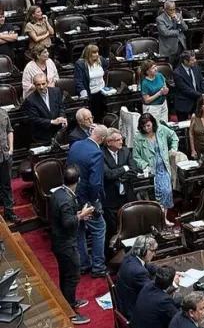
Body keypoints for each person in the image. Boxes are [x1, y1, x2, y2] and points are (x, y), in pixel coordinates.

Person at [50, 164, 93, 324]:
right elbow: (67, 223)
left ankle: (68, 302)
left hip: (59, 241)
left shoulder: (58, 193)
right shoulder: (67, 200)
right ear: (78, 180)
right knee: (72, 276)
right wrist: (81, 216)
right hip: (66, 245)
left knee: (65, 273)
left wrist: (78, 214)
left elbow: (63, 216)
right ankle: (70, 313)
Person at [67, 124, 108, 277]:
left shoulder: (76, 145)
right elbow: (95, 183)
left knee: (79, 230)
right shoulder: (96, 153)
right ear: (102, 139)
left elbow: (68, 168)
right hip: (87, 199)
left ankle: (84, 264)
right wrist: (94, 201)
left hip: (72, 194)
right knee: (99, 228)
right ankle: (98, 267)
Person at [133, 113, 178, 223]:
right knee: (154, 195)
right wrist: (144, 165)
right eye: (144, 126)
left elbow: (174, 137)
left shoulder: (161, 129)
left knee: (167, 191)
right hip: (151, 170)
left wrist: (173, 148)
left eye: (148, 125)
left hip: (163, 167)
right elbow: (136, 156)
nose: (146, 128)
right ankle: (156, 220)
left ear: (153, 123)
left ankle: (164, 218)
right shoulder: (138, 137)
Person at [102, 129, 137, 240]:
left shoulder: (125, 151)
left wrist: (120, 178)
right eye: (118, 140)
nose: (121, 142)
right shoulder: (101, 154)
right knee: (113, 231)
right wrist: (124, 168)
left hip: (127, 196)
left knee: (130, 227)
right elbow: (108, 174)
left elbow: (134, 170)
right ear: (109, 142)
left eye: (121, 139)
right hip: (110, 198)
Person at [116, 236, 159, 321]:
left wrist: (161, 272)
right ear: (143, 251)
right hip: (133, 312)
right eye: (152, 251)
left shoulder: (130, 255)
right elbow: (153, 292)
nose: (154, 254)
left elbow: (146, 265)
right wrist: (171, 282)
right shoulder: (139, 272)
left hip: (125, 301)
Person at [24, 73, 67, 145]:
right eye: (38, 85)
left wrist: (62, 117)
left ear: (47, 82)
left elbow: (61, 107)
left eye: (43, 84)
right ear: (34, 85)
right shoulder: (30, 99)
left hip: (58, 132)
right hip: (42, 135)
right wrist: (51, 121)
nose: (41, 87)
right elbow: (34, 119)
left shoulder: (56, 91)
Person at [74, 44, 109, 115]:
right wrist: (83, 93)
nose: (97, 54)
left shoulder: (101, 60)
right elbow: (78, 80)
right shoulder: (81, 64)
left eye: (97, 52)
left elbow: (107, 67)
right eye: (94, 52)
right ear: (88, 54)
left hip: (102, 92)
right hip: (90, 94)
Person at [173, 51, 204, 122]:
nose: (195, 61)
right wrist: (201, 95)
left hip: (197, 103)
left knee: (198, 124)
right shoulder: (177, 73)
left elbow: (201, 80)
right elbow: (185, 89)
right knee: (183, 126)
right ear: (185, 61)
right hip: (184, 104)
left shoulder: (196, 67)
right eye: (192, 60)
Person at [156, 0, 187, 65]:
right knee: (170, 66)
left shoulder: (178, 15)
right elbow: (165, 32)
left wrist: (178, 21)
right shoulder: (160, 19)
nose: (173, 12)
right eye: (170, 10)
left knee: (180, 66)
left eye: (174, 9)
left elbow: (185, 28)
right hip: (169, 47)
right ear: (165, 10)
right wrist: (178, 31)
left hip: (180, 45)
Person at [140, 59, 169, 124]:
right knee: (155, 126)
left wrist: (165, 90)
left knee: (164, 125)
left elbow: (164, 85)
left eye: (155, 66)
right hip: (152, 108)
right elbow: (147, 100)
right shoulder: (145, 83)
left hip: (163, 104)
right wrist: (159, 93)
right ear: (147, 71)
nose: (155, 69)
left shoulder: (159, 75)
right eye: (152, 68)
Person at [0, 106, 16, 224]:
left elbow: (9, 130)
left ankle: (9, 211)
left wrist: (11, 149)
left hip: (5, 155)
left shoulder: (3, 112)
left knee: (7, 185)